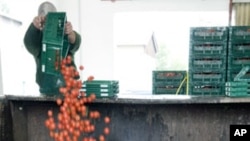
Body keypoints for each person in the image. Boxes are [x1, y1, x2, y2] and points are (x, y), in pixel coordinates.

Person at [23, 1, 81, 95]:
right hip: (47, 91)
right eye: (46, 21)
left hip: (70, 91)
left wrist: (71, 33)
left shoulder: (64, 32)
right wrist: (34, 26)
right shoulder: (38, 38)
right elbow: (29, 43)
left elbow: (75, 43)